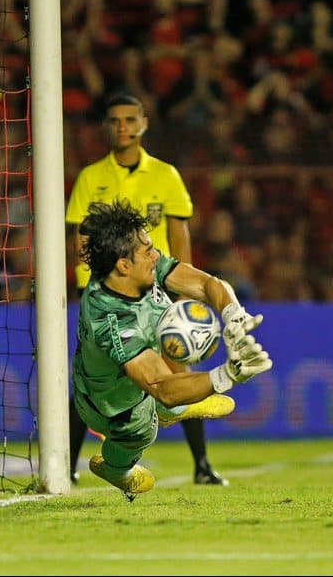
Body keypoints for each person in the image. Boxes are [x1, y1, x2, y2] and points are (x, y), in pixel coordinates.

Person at [65, 93, 232, 486]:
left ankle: (201, 464)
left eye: (130, 119)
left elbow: (179, 233)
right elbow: (79, 239)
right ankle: (68, 464)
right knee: (101, 377)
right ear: (106, 127)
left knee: (176, 368)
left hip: (157, 281)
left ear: (144, 124)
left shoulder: (165, 175)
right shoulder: (90, 177)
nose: (122, 127)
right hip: (109, 290)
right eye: (114, 120)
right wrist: (86, 281)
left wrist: (184, 295)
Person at [72, 200, 272, 498]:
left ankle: (173, 409)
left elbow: (206, 284)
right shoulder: (111, 320)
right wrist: (227, 375)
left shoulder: (139, 269)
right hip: (111, 407)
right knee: (143, 430)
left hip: (143, 372)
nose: (156, 255)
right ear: (124, 265)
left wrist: (234, 315)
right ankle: (115, 468)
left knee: (167, 393)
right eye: (148, 251)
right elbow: (161, 386)